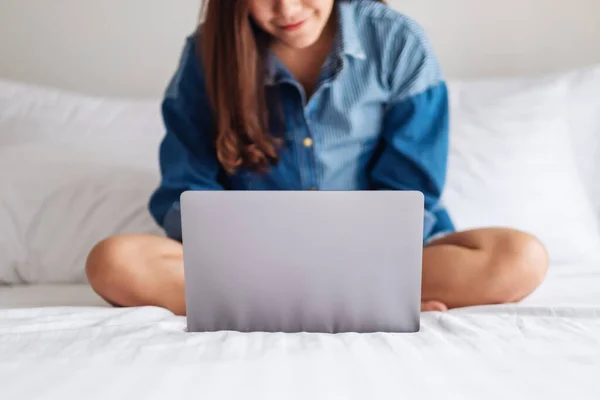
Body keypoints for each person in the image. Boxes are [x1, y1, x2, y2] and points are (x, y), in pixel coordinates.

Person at [86, 0, 549, 316]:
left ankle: (279, 306)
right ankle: (364, 305)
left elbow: (412, 190)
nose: (286, 9)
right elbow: (185, 188)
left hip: (377, 260)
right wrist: (250, 255)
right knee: (113, 261)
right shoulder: (207, 54)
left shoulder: (396, 41)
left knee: (520, 257)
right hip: (250, 265)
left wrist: (362, 262)